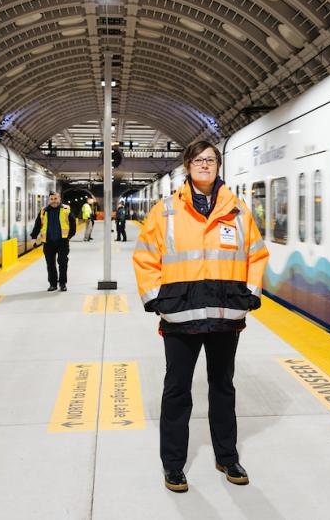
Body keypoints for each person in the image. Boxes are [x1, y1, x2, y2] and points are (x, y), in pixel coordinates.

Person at [133, 141, 269, 493]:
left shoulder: (238, 210)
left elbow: (257, 254)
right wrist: (155, 300)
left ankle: (227, 455)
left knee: (223, 388)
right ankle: (174, 465)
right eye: (198, 160)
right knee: (177, 390)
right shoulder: (164, 211)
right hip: (180, 316)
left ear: (218, 165)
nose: (204, 165)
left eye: (210, 160)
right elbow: (146, 257)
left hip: (226, 315)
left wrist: (250, 295)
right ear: (187, 165)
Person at [30, 192, 76, 292]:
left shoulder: (66, 210)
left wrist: (69, 236)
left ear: (59, 199)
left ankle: (63, 284)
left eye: (56, 198)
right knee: (50, 264)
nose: (54, 201)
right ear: (49, 200)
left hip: (62, 242)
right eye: (52, 199)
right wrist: (33, 237)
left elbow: (73, 223)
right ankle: (53, 284)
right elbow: (37, 225)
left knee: (63, 263)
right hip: (48, 242)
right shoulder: (43, 211)